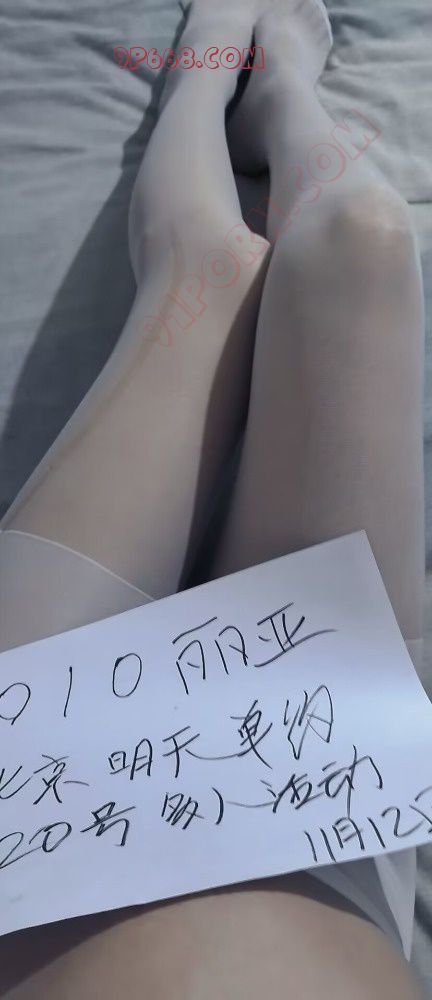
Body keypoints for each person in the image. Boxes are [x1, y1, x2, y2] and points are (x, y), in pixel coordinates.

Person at [0, 0, 425, 996]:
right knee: (365, 241)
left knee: (209, 272)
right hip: (326, 818)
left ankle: (204, 76)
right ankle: (280, 90)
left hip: (27, 826)